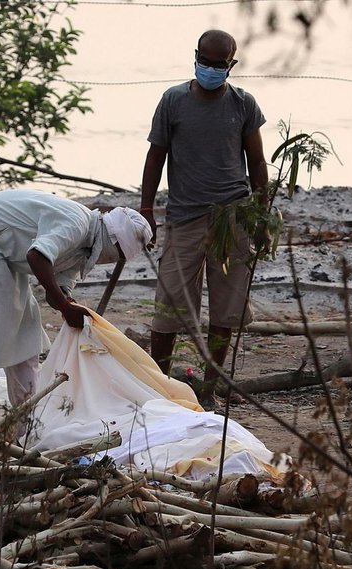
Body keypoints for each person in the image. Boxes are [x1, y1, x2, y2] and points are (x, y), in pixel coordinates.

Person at [0, 189, 152, 441]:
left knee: (26, 338)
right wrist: (64, 305)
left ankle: (28, 424)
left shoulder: (85, 246)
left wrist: (68, 304)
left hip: (6, 258)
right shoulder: (76, 223)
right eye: (115, 255)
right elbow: (36, 256)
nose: (108, 261)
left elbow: (57, 289)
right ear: (111, 242)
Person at [139, 30, 269, 409]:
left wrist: (260, 213)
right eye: (206, 62)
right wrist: (147, 210)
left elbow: (257, 161)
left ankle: (208, 389)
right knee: (169, 309)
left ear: (232, 64)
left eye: (219, 64)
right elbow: (155, 157)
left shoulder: (243, 104)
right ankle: (159, 386)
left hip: (233, 217)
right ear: (196, 57)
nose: (211, 69)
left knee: (225, 311)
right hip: (184, 217)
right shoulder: (173, 101)